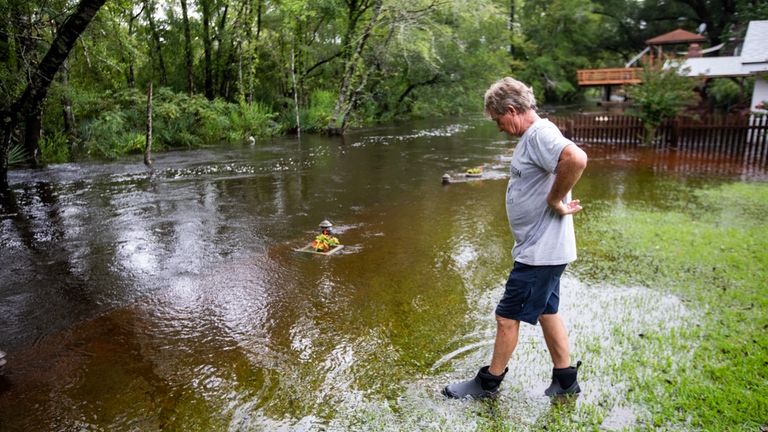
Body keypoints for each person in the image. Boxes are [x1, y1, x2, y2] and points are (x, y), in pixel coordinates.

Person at [443, 77, 588, 399]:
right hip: (544, 249)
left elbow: (576, 158)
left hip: (540, 252)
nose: (498, 127)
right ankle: (566, 380)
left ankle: (488, 384)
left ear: (511, 110)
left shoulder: (539, 134)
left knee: (506, 317)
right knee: (546, 310)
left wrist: (555, 199)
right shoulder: (535, 136)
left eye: (498, 120)